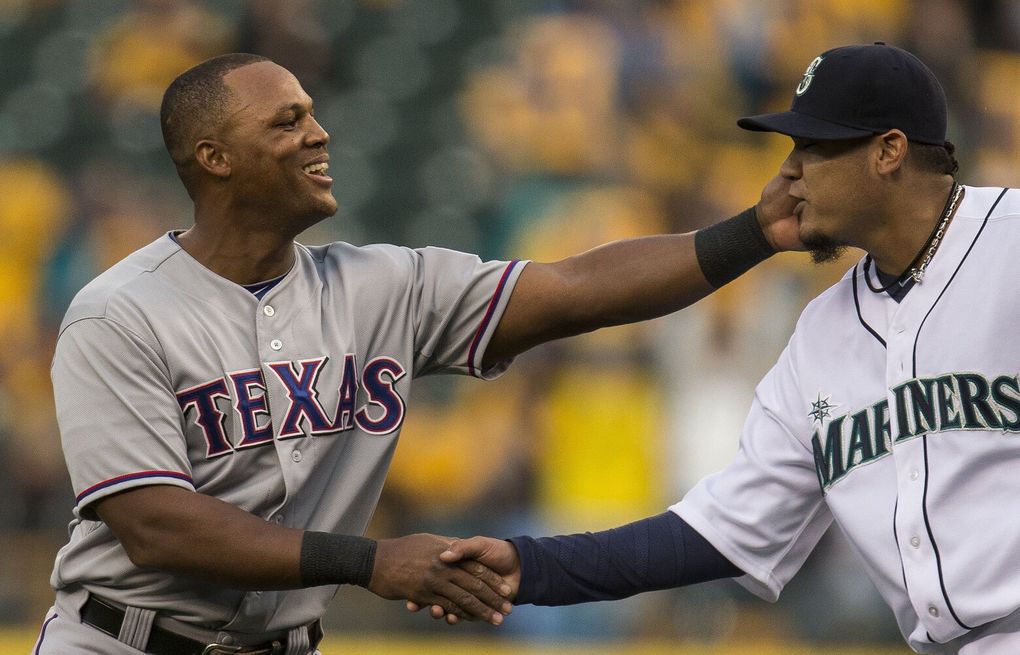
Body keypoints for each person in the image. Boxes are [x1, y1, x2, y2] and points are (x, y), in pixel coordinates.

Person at [33, 53, 800, 654]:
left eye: (314, 113)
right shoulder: (119, 313)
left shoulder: (380, 286)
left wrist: (755, 232)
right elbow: (157, 526)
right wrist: (372, 561)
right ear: (215, 157)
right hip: (121, 640)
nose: (318, 132)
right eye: (287, 120)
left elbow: (574, 288)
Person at [433, 43, 1020, 655]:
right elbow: (716, 533)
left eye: (813, 147)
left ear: (888, 151)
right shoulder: (823, 333)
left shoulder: (1009, 245)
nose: (789, 171)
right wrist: (530, 567)